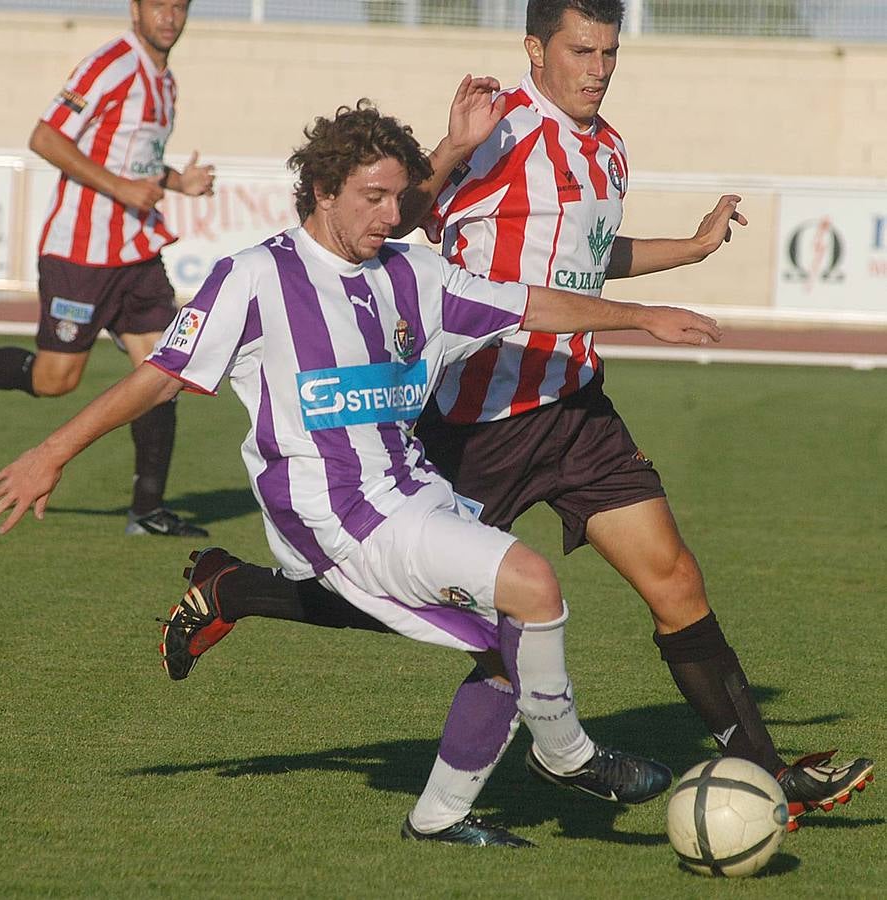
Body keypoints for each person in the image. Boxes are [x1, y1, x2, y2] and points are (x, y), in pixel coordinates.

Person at [157, 0, 874, 831]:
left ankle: (764, 769)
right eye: (582, 50)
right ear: (536, 50)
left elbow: (590, 260)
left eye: (609, 51)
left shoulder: (607, 149)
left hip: (574, 405)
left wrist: (690, 247)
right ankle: (233, 587)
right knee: (377, 597)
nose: (599, 68)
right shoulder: (504, 131)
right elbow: (401, 215)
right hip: (477, 420)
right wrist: (455, 144)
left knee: (674, 579)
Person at [0, 101, 729, 846]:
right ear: (322, 191)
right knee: (532, 585)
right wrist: (52, 453)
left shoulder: (416, 275)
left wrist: (643, 316)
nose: (388, 213)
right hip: (333, 513)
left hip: (415, 492)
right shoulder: (255, 278)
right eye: (372, 197)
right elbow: (160, 377)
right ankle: (567, 756)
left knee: (511, 642)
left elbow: (529, 303)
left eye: (398, 198)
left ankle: (438, 818)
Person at [0, 0, 212, 537]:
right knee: (55, 380)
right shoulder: (111, 62)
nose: (170, 14)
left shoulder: (165, 82)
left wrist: (176, 183)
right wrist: (119, 188)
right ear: (135, 8)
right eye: (158, 4)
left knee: (163, 369)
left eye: (179, 5)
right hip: (81, 252)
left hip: (137, 250)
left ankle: (147, 509)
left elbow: (130, 161)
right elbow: (45, 137)